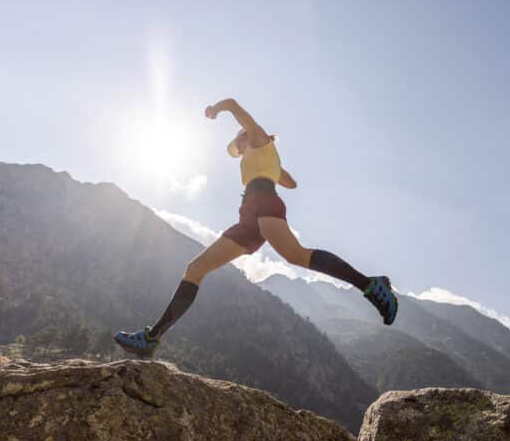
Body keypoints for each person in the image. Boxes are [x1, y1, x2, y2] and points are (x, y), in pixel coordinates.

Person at [114, 98, 398, 357]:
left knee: (296, 256)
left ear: (245, 136)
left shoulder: (259, 140)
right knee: (195, 269)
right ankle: (152, 338)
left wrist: (217, 110)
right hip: (248, 214)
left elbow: (234, 105)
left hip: (264, 201)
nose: (236, 151)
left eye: (238, 144)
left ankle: (372, 285)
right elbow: (291, 182)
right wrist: (275, 167)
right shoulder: (263, 157)